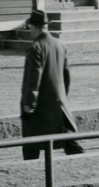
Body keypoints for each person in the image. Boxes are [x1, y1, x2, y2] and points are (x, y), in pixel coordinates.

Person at [20, 9, 83, 160]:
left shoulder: (35, 48)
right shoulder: (60, 44)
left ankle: (30, 168)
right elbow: (66, 75)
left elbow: (32, 79)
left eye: (30, 27)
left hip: (40, 104)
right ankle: (80, 160)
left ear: (34, 27)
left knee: (30, 139)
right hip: (59, 102)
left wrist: (29, 103)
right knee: (68, 135)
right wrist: (63, 96)